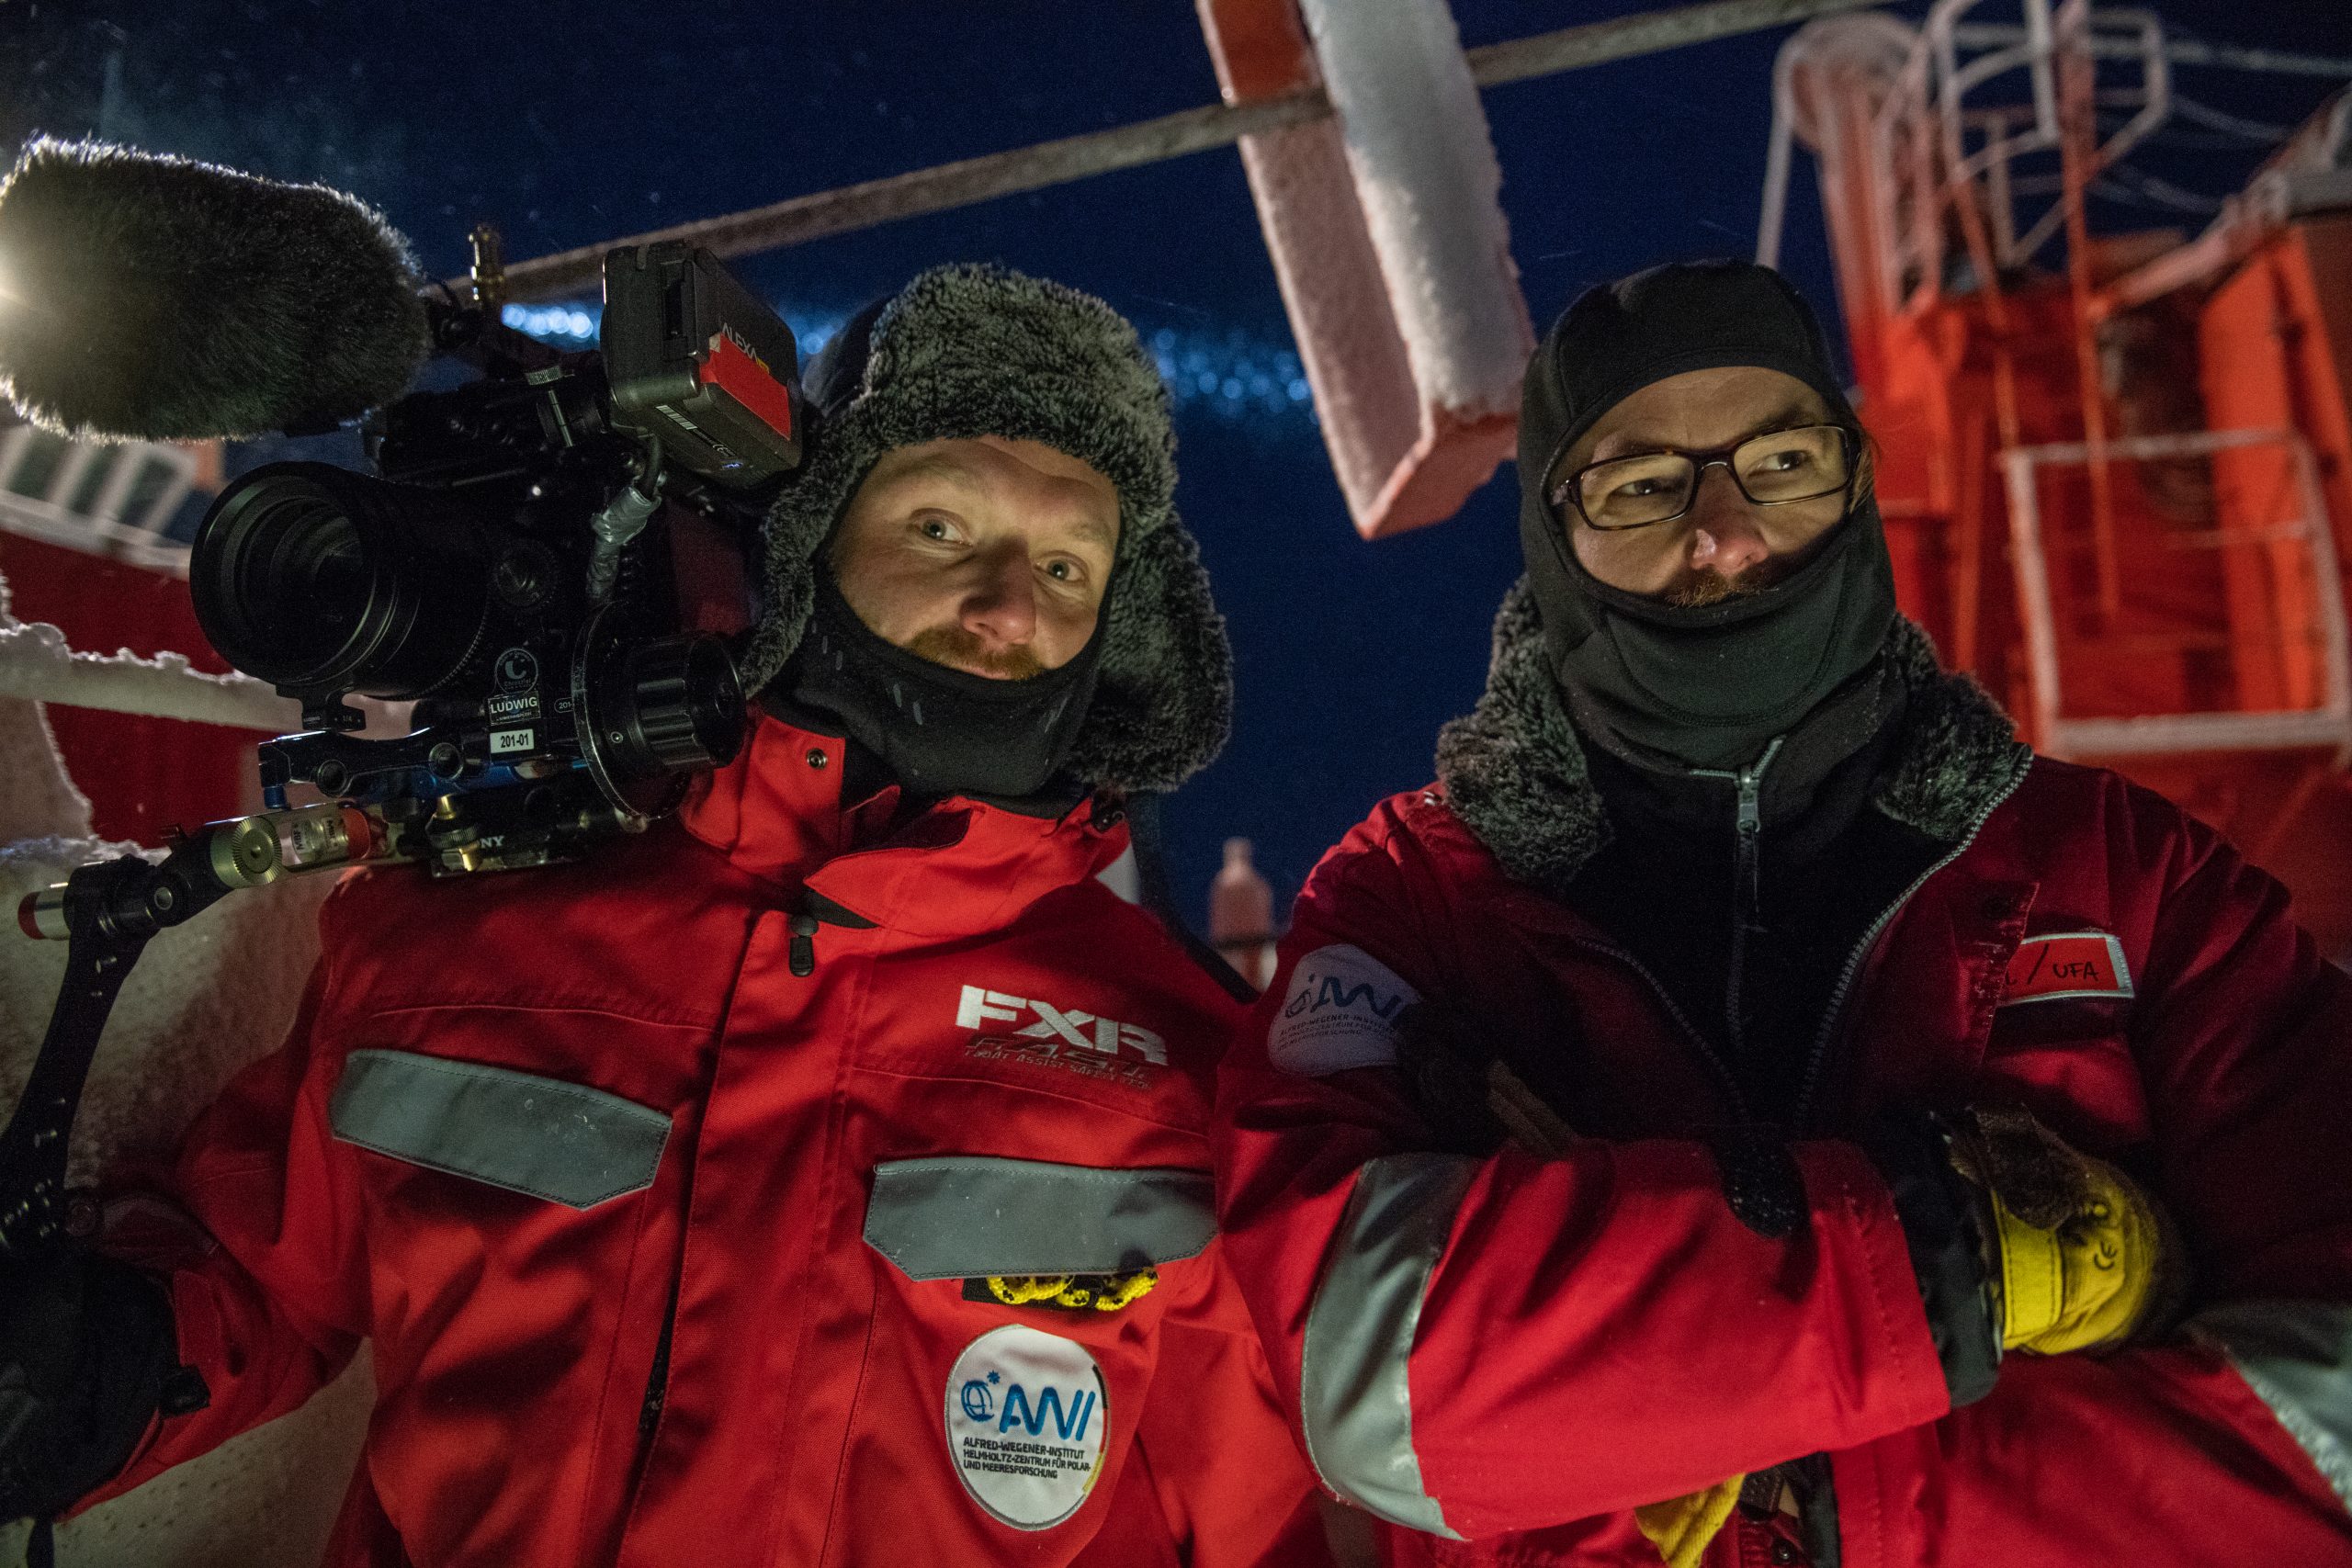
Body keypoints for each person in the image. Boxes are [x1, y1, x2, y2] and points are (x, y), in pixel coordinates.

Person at [0, 265, 1329, 1567]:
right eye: (940, 528)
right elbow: (269, 1273)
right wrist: (99, 1373)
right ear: (805, 542)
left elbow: (1264, 1522)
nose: (1004, 607)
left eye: (1065, 564)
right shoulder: (462, 932)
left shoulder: (1185, 1060)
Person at [1213, 260, 2352, 1566]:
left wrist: (1831, 1502)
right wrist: (1955, 1248)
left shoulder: (2129, 880)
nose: (1725, 533)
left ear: (1855, 481)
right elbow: (1369, 1374)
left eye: (1783, 462)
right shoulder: (1416, 907)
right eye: (1642, 484)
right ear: (1550, 534)